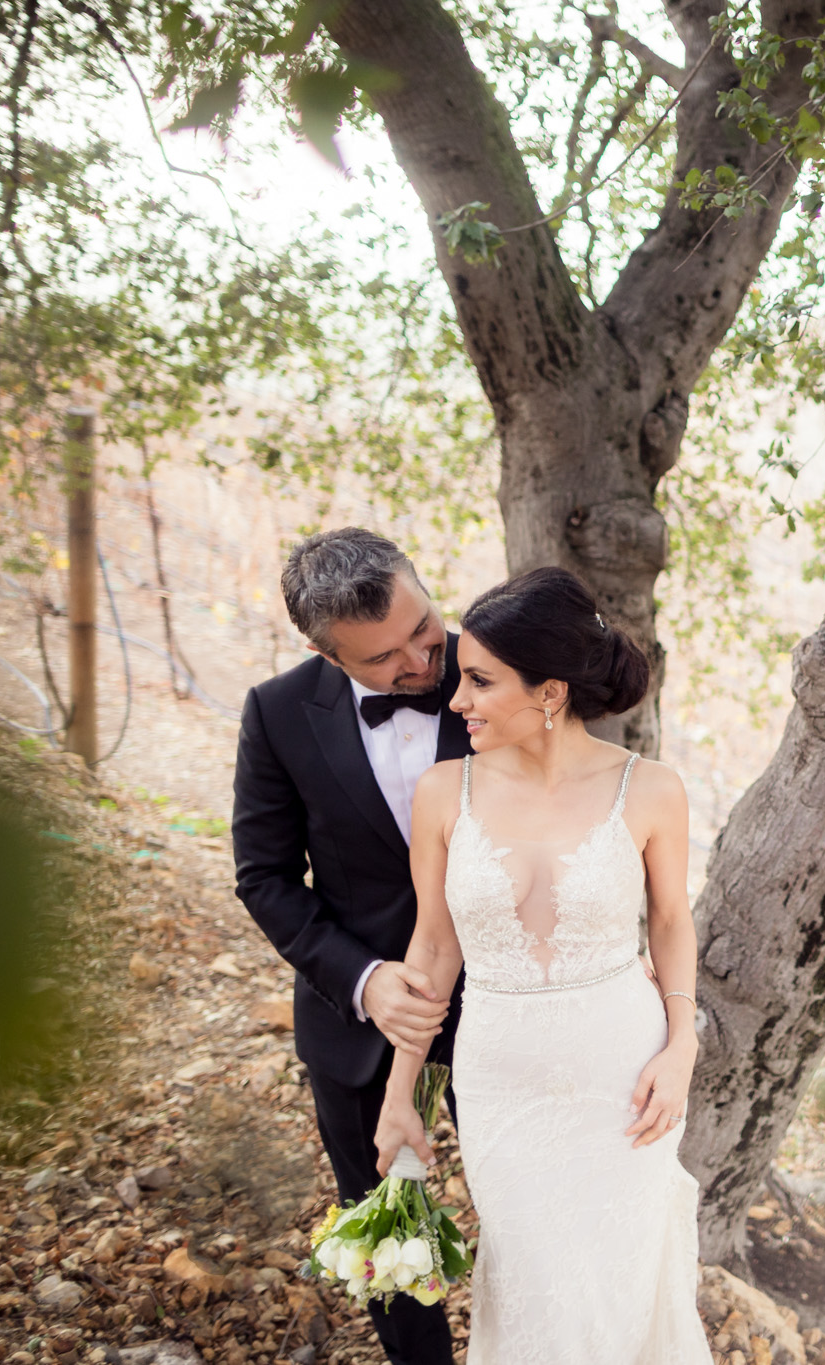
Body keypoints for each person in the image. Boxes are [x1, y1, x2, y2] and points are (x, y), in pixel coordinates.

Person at [372, 566, 711, 1364]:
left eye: (481, 682)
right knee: (529, 1283)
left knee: (617, 1286)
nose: (456, 701)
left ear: (550, 691)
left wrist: (682, 1044)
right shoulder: (442, 792)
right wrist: (401, 1091)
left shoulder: (652, 789)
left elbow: (669, 922)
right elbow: (432, 947)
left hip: (624, 1080)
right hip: (500, 1083)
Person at [231, 528, 470, 1365]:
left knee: (536, 1206)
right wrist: (365, 981)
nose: (420, 662)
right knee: (385, 1226)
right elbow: (262, 876)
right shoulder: (275, 712)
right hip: (361, 1025)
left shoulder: (500, 668)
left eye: (424, 627)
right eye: (384, 659)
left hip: (512, 1002)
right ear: (324, 652)